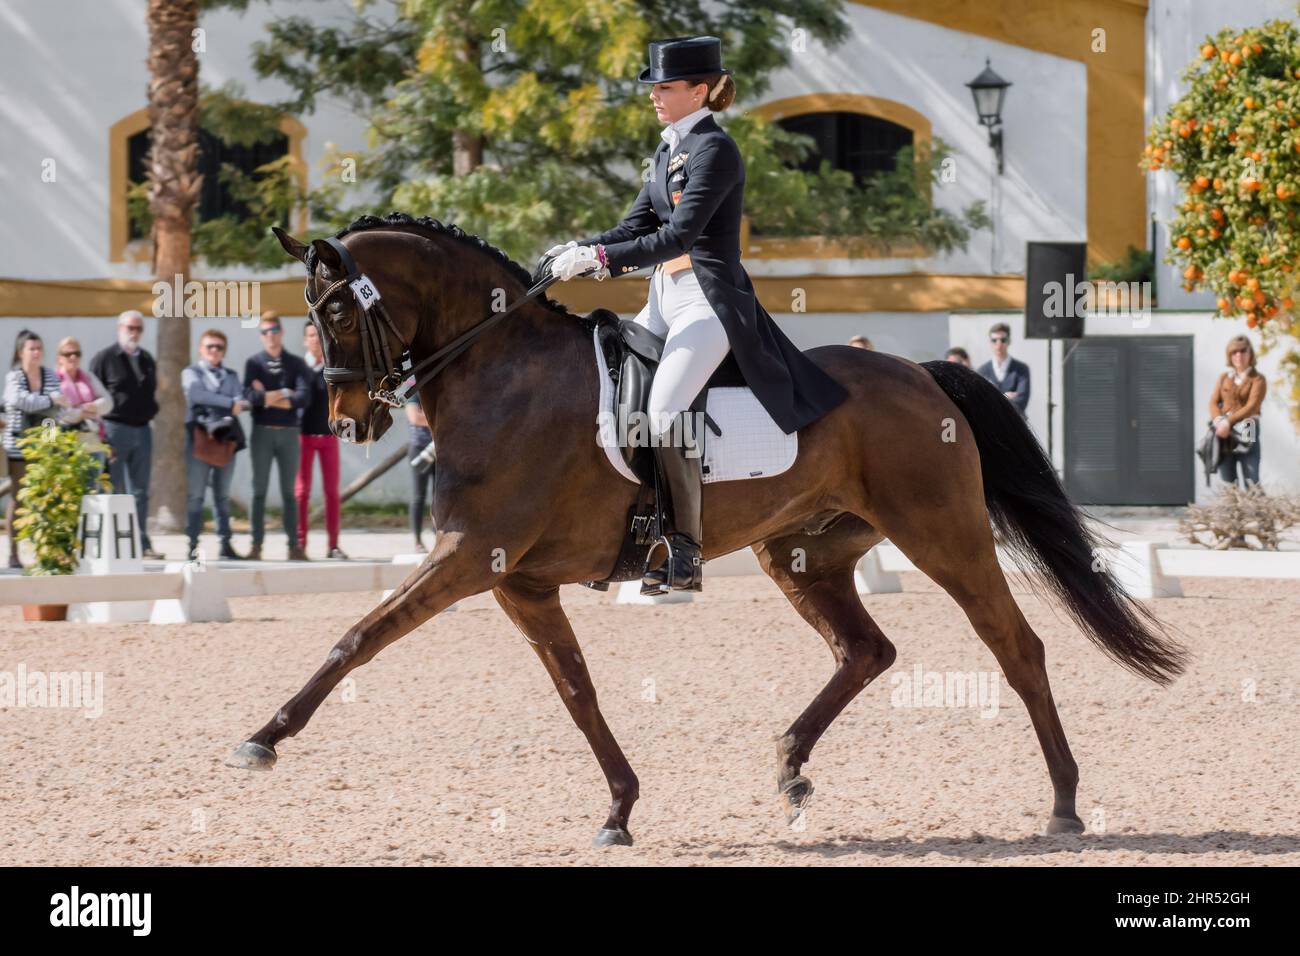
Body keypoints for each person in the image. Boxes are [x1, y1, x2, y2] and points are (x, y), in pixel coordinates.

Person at [543, 35, 848, 594]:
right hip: (663, 295)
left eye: (665, 87)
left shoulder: (715, 149)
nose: (655, 96)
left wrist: (603, 261)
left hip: (708, 300)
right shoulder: (668, 151)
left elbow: (679, 234)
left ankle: (685, 551)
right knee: (608, 391)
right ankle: (618, 532)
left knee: (663, 412)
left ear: (699, 91)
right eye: (654, 87)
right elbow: (634, 225)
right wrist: (578, 249)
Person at [91, 310, 162, 558]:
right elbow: (94, 397)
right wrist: (100, 435)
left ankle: (141, 541)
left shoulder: (147, 360)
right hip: (114, 429)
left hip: (142, 430)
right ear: (119, 328)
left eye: (138, 329)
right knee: (114, 488)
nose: (133, 333)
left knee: (141, 491)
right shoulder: (104, 358)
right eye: (129, 328)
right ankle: (114, 542)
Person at [243, 311, 310, 561]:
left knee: (288, 493)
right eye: (264, 332)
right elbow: (250, 398)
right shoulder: (254, 363)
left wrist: (269, 396)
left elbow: (303, 398)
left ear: (281, 332)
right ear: (261, 336)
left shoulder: (295, 363)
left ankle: (294, 546)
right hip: (262, 433)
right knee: (258, 491)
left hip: (289, 434)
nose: (270, 336)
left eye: (273, 331)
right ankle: (256, 545)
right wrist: (285, 395)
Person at [4, 330, 69, 569]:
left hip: (45, 444)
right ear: (21, 352)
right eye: (31, 349)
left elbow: (59, 409)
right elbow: (18, 400)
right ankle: (12, 553)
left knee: (44, 499)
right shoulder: (14, 377)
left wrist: (51, 404)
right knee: (18, 501)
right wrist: (50, 401)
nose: (36, 353)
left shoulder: (50, 375)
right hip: (18, 448)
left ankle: (44, 552)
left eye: (39, 348)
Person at [182, 329, 248, 561]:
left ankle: (225, 543)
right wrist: (229, 403)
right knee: (195, 496)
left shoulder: (230, 375)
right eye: (210, 346)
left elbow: (242, 399)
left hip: (225, 441)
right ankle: (192, 544)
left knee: (222, 495)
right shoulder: (191, 372)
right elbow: (196, 395)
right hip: (200, 440)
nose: (214, 351)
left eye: (219, 347)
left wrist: (230, 403)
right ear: (201, 349)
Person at [295, 322, 346, 559]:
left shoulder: (331, 369)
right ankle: (300, 543)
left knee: (332, 493)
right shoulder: (298, 367)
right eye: (311, 336)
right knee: (302, 492)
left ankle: (333, 546)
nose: (315, 339)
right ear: (305, 340)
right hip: (302, 437)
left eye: (318, 335)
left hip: (328, 437)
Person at [1209, 334, 1266, 488]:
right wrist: (1219, 420)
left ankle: (1256, 512)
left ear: (1250, 353)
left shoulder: (1258, 379)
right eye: (1234, 352)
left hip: (1248, 426)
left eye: (1243, 351)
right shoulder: (1223, 378)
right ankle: (1233, 512)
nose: (1238, 355)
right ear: (1229, 355)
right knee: (1228, 480)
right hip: (1224, 430)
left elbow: (1252, 406)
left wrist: (1228, 421)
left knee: (1251, 479)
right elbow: (1214, 402)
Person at [54, 336, 113, 471]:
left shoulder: (89, 377)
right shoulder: (54, 380)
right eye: (68, 354)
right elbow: (58, 412)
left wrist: (94, 406)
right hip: (66, 439)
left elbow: (108, 402)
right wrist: (81, 413)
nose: (73, 357)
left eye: (77, 354)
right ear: (59, 359)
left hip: (91, 437)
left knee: (92, 485)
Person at [976, 322, 1030, 418]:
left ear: (1009, 341)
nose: (999, 344)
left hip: (1017, 425)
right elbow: (980, 402)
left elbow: (1022, 401)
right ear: (990, 343)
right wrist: (1005, 397)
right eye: (994, 340)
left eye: (1003, 340)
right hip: (990, 425)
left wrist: (993, 398)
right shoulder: (982, 371)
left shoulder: (1022, 369)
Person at [405, 397, 436, 553]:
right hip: (420, 449)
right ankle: (418, 540)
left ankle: (439, 536)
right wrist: (438, 418)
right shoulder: (414, 394)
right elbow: (415, 418)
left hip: (439, 449)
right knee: (419, 496)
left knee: (440, 496)